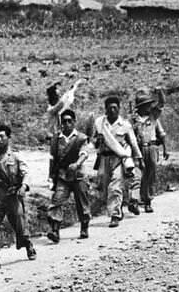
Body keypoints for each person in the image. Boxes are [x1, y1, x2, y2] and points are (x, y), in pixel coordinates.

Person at [0, 123, 33, 268]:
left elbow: (25, 173)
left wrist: (23, 186)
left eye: (2, 136)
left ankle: (27, 243)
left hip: (12, 194)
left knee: (20, 225)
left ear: (8, 138)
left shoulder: (16, 156)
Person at [93, 96, 142, 227]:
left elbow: (133, 142)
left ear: (119, 109)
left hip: (118, 158)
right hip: (104, 158)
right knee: (104, 187)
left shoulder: (125, 125)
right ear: (106, 110)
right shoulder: (100, 123)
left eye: (115, 108)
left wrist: (138, 159)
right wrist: (97, 140)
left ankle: (115, 214)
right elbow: (94, 142)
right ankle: (118, 208)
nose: (113, 110)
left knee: (115, 186)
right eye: (110, 108)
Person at [47, 110, 92, 241]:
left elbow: (84, 153)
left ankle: (84, 226)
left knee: (82, 202)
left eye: (69, 121)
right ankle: (55, 230)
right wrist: (51, 177)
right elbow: (52, 158)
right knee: (57, 200)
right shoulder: (56, 139)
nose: (66, 124)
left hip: (78, 175)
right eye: (64, 121)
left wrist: (77, 164)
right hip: (62, 176)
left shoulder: (81, 138)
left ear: (74, 122)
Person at [131, 91, 167, 213]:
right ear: (140, 107)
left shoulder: (153, 117)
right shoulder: (133, 120)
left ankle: (148, 201)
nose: (149, 107)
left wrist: (160, 92)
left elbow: (162, 104)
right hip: (138, 148)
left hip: (151, 147)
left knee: (150, 174)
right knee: (137, 174)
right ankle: (135, 200)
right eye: (146, 105)